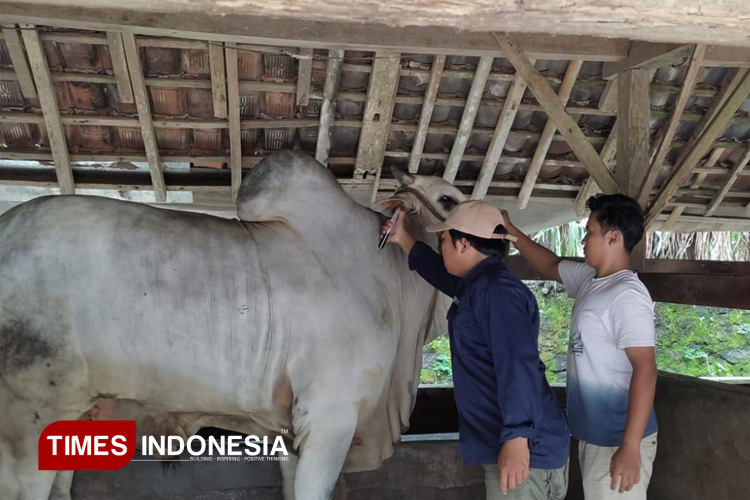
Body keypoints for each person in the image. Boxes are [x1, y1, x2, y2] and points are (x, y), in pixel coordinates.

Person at [382, 200, 570, 500]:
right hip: (513, 442)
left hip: (528, 451)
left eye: (443, 240)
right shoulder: (479, 284)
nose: (441, 246)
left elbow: (517, 363)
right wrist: (404, 239)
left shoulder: (498, 293)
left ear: (464, 244)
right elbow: (442, 274)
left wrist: (518, 438)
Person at [499, 194, 658, 500]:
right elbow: (551, 265)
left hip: (617, 438)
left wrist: (630, 446)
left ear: (613, 237)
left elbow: (645, 369)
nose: (584, 240)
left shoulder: (626, 295)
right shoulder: (591, 280)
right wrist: (512, 231)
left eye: (590, 232)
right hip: (595, 435)